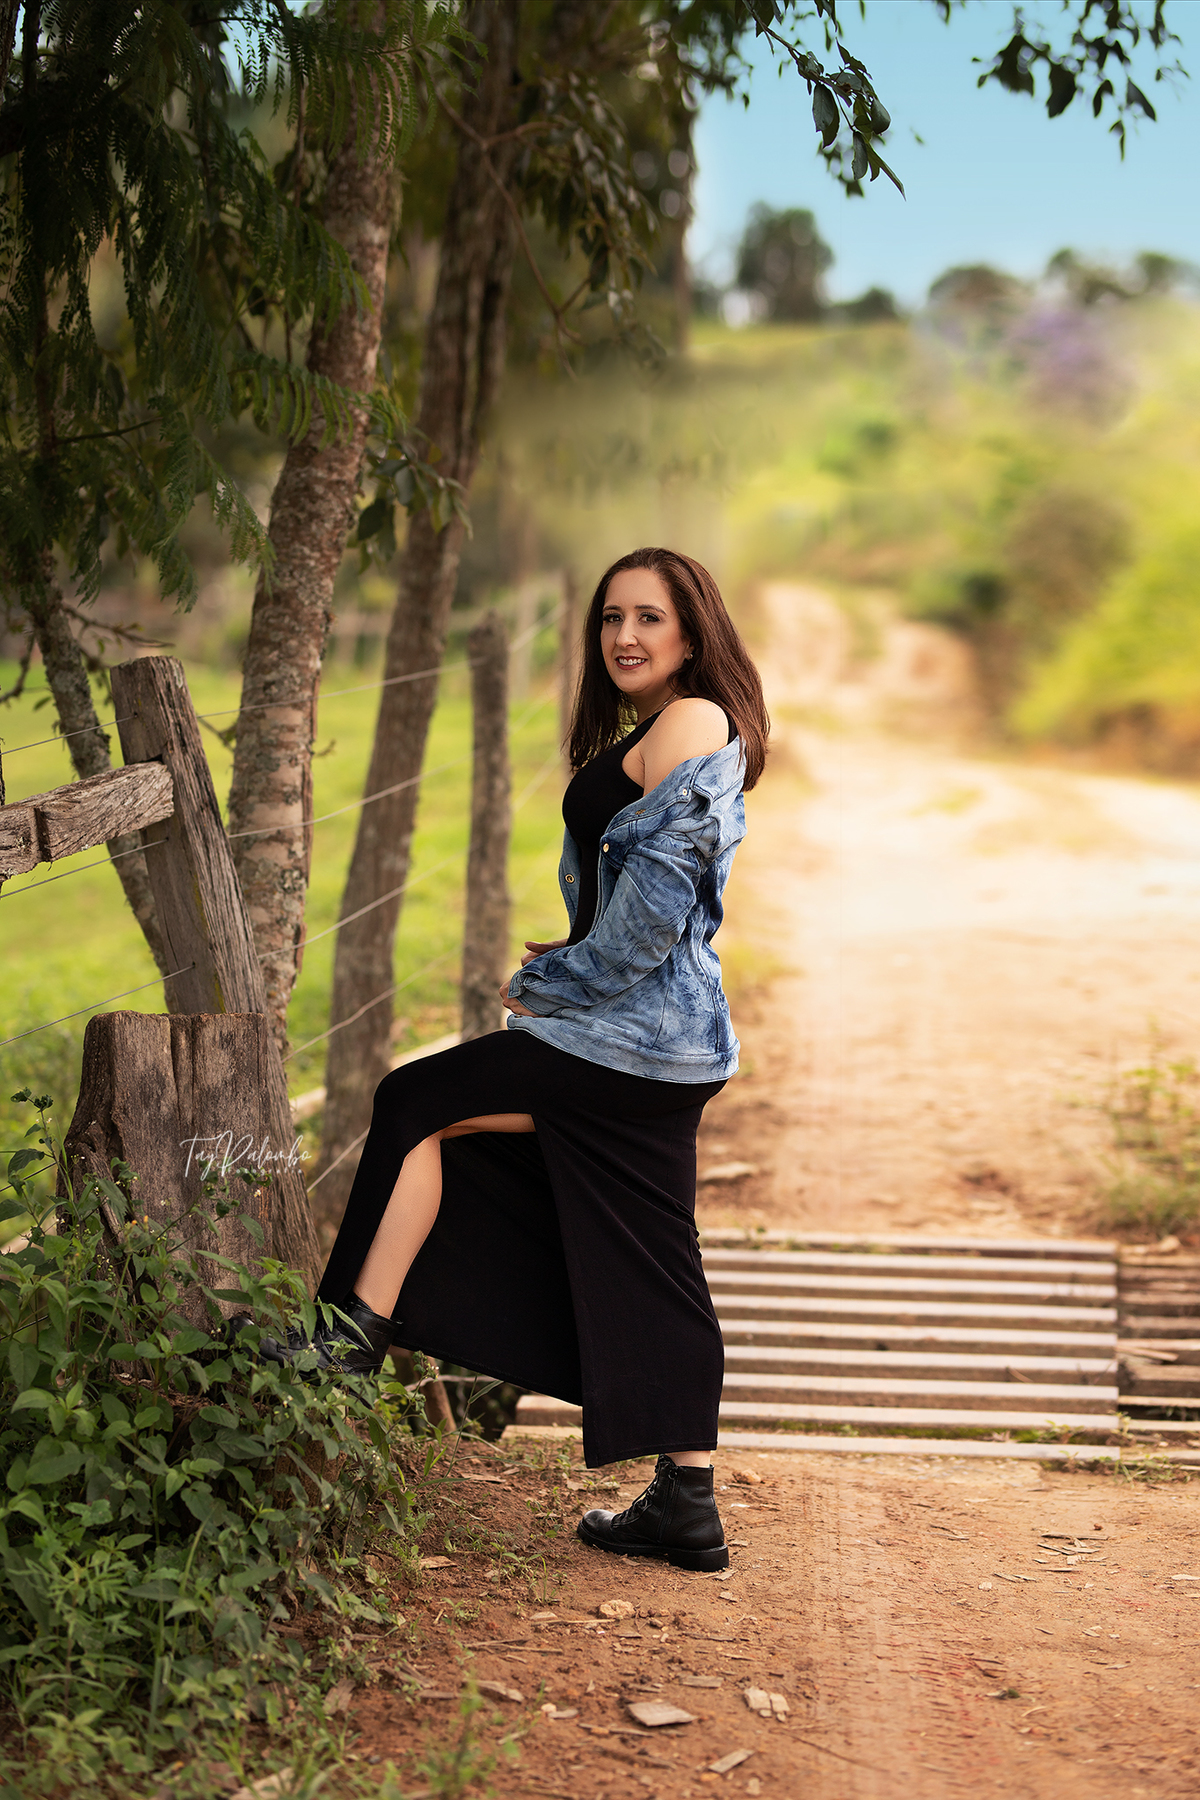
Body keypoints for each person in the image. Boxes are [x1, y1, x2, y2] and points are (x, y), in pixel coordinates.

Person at [271, 546, 769, 1573]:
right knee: (655, 1250)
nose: (624, 636)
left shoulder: (692, 719)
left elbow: (655, 919)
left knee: (417, 1099)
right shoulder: (673, 724)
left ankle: (347, 1341)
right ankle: (687, 1503)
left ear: (692, 632)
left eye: (649, 618)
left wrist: (552, 986)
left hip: (630, 1044)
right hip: (659, 1044)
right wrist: (576, 948)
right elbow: (638, 905)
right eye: (610, 618)